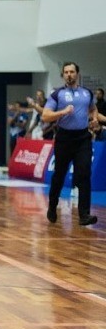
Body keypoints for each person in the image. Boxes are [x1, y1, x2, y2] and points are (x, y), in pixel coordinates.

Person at [43, 62, 98, 226]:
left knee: (84, 174)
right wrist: (62, 112)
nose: (69, 74)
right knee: (59, 175)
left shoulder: (87, 93)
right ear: (63, 75)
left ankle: (84, 215)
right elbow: (46, 116)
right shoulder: (57, 94)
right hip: (64, 139)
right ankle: (52, 207)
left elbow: (93, 108)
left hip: (83, 138)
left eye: (72, 72)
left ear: (77, 74)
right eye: (66, 72)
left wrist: (94, 119)